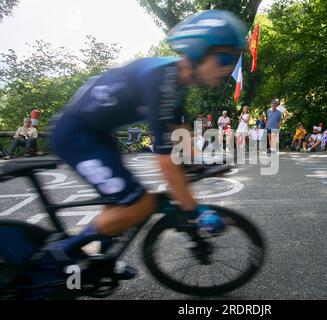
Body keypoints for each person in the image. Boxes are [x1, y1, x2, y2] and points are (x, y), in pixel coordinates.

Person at [38, 10, 248, 278]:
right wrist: (195, 212)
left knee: (122, 202)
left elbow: (180, 132)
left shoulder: (175, 82)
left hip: (97, 133)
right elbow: (165, 162)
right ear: (198, 52)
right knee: (141, 204)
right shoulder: (161, 80)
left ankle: (102, 263)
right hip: (76, 136)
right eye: (224, 57)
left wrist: (203, 163)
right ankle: (61, 253)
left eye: (233, 60)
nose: (228, 67)